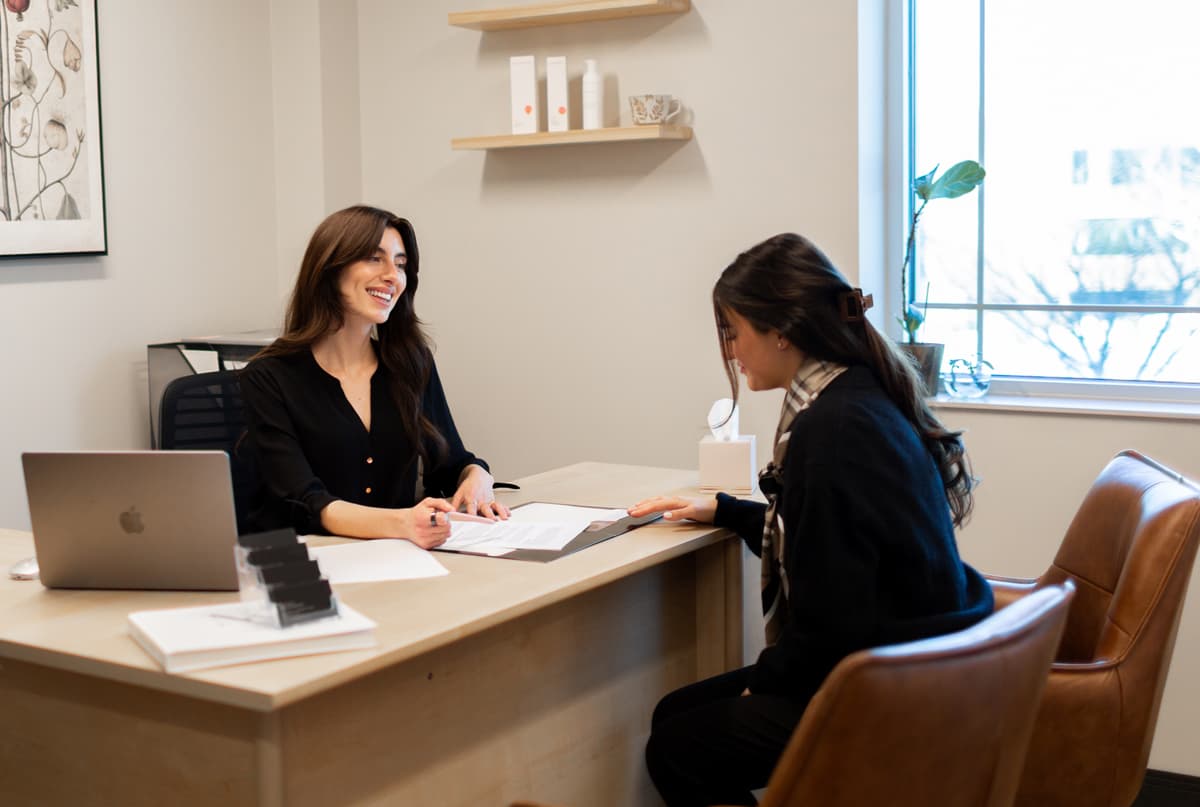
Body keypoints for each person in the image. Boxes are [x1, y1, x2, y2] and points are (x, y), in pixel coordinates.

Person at [628, 232, 994, 807]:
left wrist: (764, 685)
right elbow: (827, 538)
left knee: (677, 746)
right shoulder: (857, 391)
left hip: (885, 684)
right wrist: (726, 510)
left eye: (734, 331)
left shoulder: (832, 429)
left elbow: (832, 616)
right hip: (918, 657)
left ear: (781, 330)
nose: (731, 350)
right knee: (676, 715)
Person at [239, 204, 508, 548]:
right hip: (304, 560)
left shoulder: (410, 364)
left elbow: (450, 463)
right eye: (374, 258)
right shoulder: (268, 377)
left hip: (395, 554)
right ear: (330, 268)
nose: (393, 276)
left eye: (401, 264)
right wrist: (402, 522)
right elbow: (303, 500)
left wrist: (477, 478)